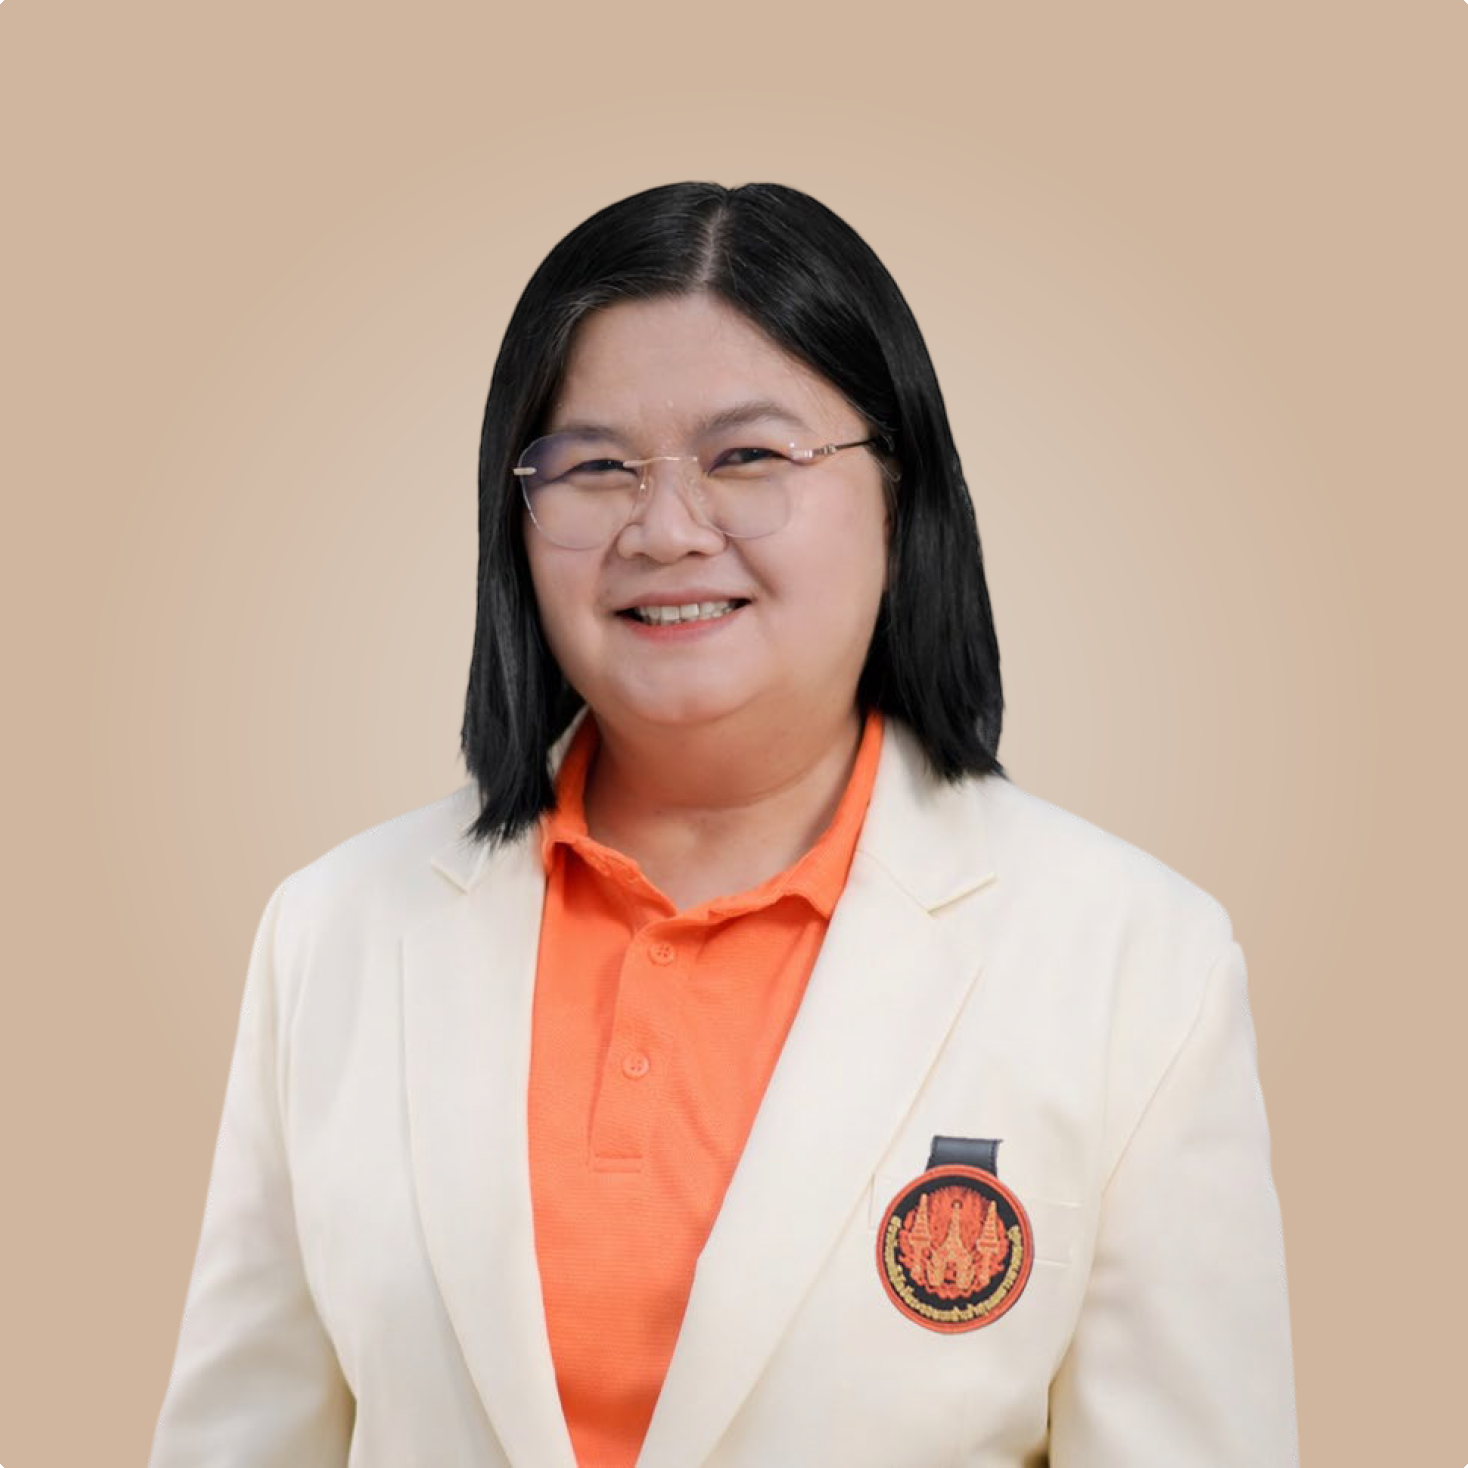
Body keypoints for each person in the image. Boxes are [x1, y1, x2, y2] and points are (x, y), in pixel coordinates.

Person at [149, 181, 1298, 1468]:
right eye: (595, 467)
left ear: (900, 491)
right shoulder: (334, 933)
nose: (664, 529)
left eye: (746, 457)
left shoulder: (1137, 964)